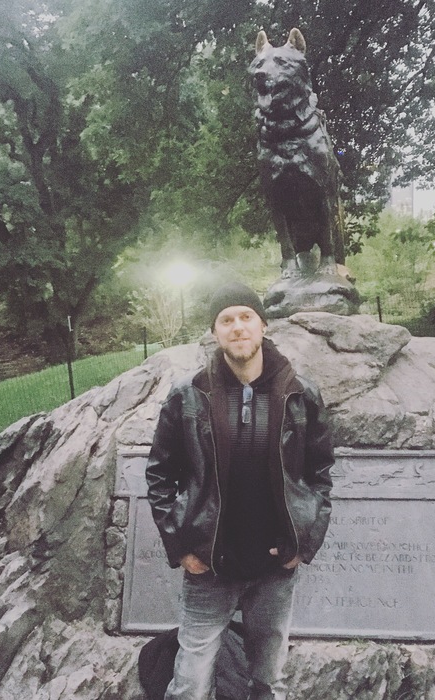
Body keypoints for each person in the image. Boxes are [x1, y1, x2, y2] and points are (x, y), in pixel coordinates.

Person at [146, 281, 334, 700]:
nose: (237, 327)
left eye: (246, 316)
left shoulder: (301, 394)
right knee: (190, 684)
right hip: (210, 564)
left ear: (263, 325)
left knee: (269, 680)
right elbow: (159, 474)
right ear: (215, 332)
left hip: (275, 566)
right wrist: (181, 547)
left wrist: (303, 543)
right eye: (226, 320)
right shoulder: (187, 395)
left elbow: (319, 473)